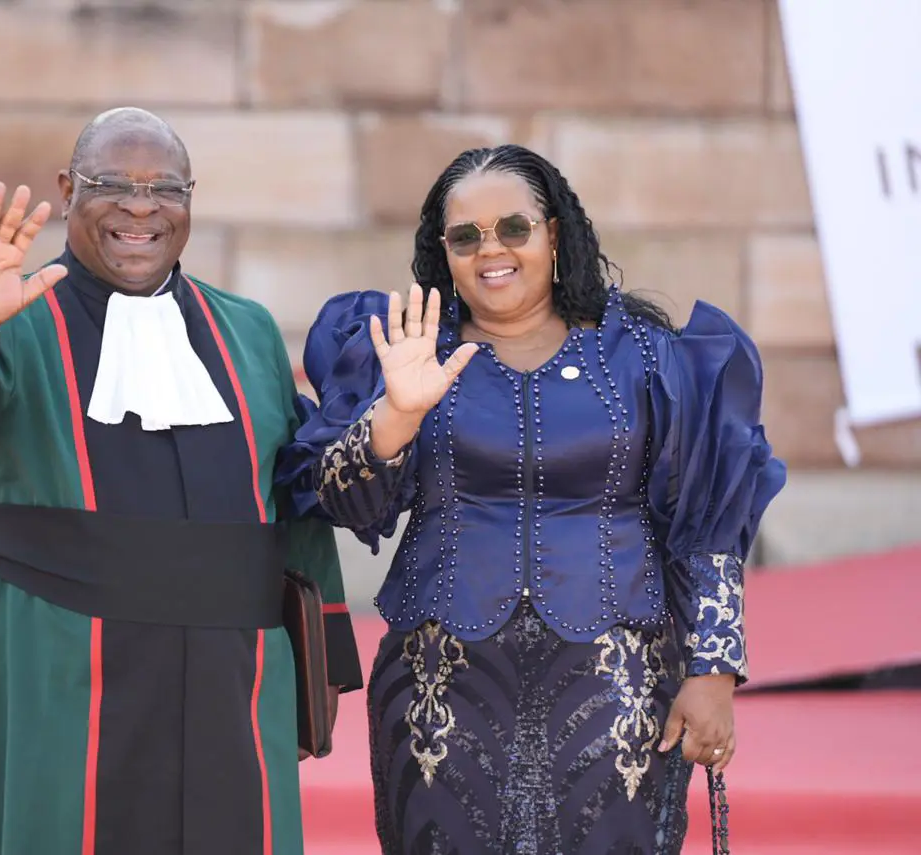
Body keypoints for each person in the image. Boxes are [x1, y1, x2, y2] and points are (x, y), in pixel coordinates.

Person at [0, 107, 362, 855]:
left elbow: (291, 499)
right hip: (54, 655)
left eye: (166, 188)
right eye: (112, 185)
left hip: (230, 672)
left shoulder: (246, 328)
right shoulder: (16, 317)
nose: (141, 207)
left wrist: (320, 651)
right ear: (68, 190)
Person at [276, 144, 786, 854]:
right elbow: (341, 501)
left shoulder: (646, 355)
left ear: (554, 233)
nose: (492, 250)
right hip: (441, 689)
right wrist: (395, 415)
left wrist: (713, 669)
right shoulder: (408, 350)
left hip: (618, 687)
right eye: (466, 236)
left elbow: (705, 523)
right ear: (443, 252)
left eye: (513, 227)